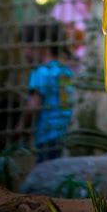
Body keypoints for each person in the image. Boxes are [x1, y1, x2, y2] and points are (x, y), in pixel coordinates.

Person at [18, 22, 74, 163]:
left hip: (48, 137)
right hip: (67, 134)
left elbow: (33, 106)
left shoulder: (41, 72)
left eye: (26, 47)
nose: (24, 53)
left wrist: (20, 127)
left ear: (39, 47)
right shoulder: (66, 72)